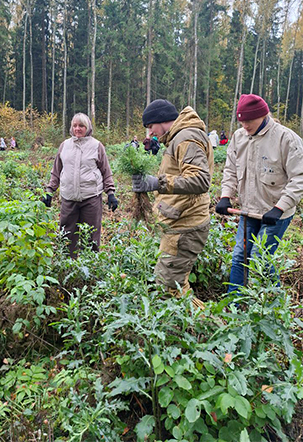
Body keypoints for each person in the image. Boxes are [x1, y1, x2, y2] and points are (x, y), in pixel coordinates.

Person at [215, 94, 303, 293]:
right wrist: (225, 195)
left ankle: (274, 303)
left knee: (260, 256)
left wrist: (280, 207)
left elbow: (299, 177)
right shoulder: (239, 137)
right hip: (248, 211)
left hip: (276, 214)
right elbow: (230, 170)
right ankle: (234, 303)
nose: (245, 125)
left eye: (249, 120)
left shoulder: (285, 138)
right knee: (239, 255)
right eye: (241, 121)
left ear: (263, 115)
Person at [132, 100, 212, 307]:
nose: (150, 133)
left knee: (171, 288)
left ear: (160, 120)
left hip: (186, 225)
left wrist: (157, 183)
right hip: (178, 222)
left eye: (150, 127)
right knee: (168, 283)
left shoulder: (186, 137)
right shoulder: (179, 137)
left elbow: (200, 180)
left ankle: (210, 330)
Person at [43, 113, 118, 258]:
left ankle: (90, 267)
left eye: (81, 126)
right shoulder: (64, 146)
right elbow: (56, 172)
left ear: (87, 127)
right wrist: (49, 191)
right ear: (71, 127)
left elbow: (106, 172)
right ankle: (68, 266)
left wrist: (110, 193)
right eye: (75, 125)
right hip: (68, 198)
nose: (78, 129)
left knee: (91, 235)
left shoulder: (97, 146)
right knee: (66, 235)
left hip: (91, 198)